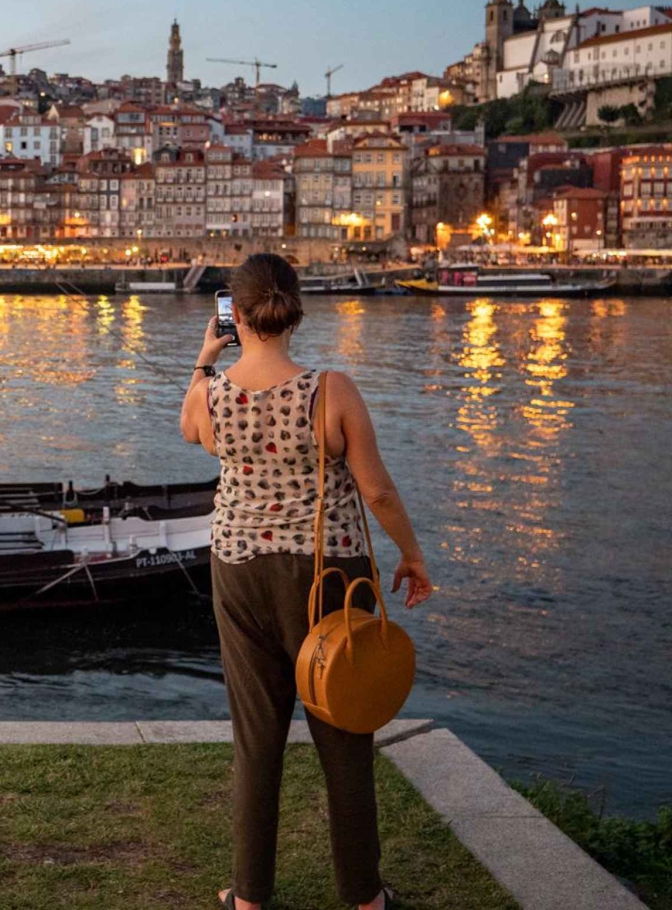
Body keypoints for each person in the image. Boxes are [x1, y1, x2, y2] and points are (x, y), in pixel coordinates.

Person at [179, 253, 434, 910]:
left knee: (256, 737)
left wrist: (206, 360)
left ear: (235, 315)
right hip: (325, 570)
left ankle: (250, 897)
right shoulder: (332, 389)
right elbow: (375, 488)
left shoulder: (213, 394)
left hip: (236, 568)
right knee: (344, 731)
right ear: (296, 308)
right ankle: (364, 898)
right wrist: (412, 553)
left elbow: (190, 430)